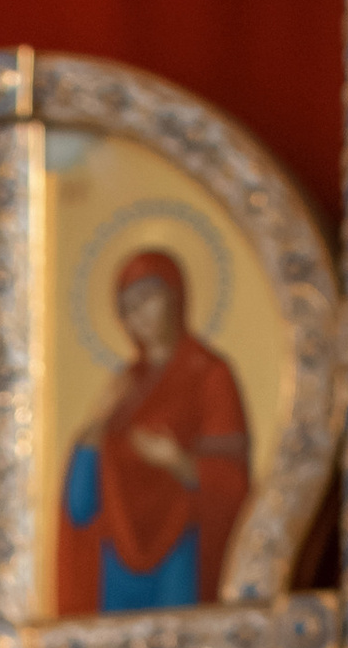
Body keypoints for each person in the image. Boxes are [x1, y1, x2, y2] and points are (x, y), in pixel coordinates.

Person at [57, 248, 251, 614]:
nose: (138, 317)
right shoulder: (125, 386)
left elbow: (232, 481)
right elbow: (81, 503)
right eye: (127, 308)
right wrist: (98, 420)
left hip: (180, 548)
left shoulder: (210, 375)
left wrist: (178, 462)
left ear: (174, 296)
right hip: (117, 555)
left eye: (147, 299)